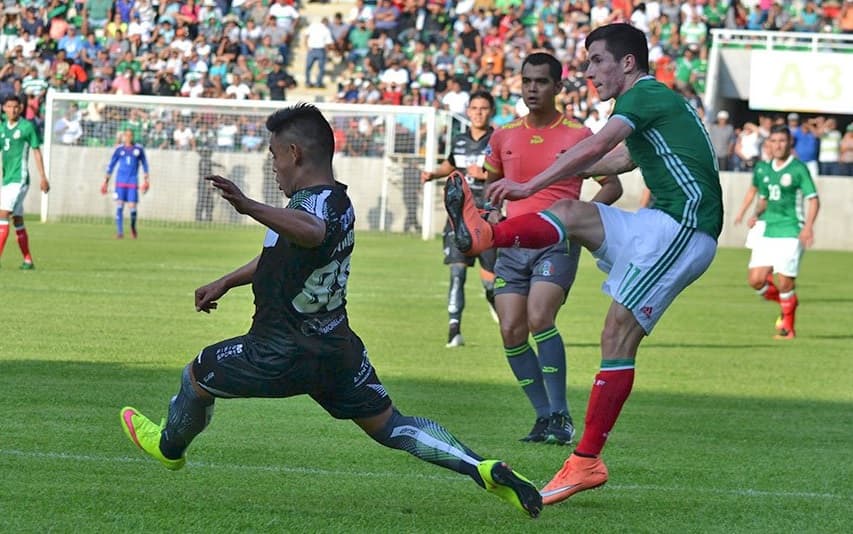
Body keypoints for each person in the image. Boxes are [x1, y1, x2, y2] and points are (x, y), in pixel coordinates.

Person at [118, 103, 543, 519]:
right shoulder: (335, 200)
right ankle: (481, 469)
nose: (272, 165)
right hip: (336, 350)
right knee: (391, 424)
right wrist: (226, 281)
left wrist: (248, 206)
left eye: (273, 155)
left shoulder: (313, 209)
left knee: (195, 377)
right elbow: (288, 249)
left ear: (294, 153)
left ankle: (170, 449)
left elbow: (312, 232)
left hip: (277, 350)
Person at [443, 24, 722, 505]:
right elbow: (618, 160)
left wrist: (530, 186)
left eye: (596, 60)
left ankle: (587, 459)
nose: (588, 71)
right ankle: (486, 236)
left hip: (685, 227)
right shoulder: (653, 107)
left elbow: (593, 149)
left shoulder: (645, 96)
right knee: (571, 214)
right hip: (658, 221)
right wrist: (545, 177)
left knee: (616, 334)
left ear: (627, 63)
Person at [480, 52, 623, 447]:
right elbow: (490, 191)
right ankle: (544, 417)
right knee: (511, 329)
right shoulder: (503, 134)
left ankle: (561, 414)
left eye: (541, 82)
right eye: (527, 81)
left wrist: (580, 220)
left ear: (558, 88)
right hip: (511, 244)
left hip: (556, 244)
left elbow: (613, 185)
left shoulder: (579, 136)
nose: (532, 88)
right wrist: (489, 214)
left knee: (540, 317)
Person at [421, 90, 500, 348]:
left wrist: (485, 174)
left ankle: (493, 301)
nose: (478, 112)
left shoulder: (499, 140)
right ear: (468, 111)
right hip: (459, 218)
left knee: (491, 282)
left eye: (484, 108)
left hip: (489, 218)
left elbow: (509, 173)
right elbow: (451, 165)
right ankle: (454, 331)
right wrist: (433, 174)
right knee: (457, 274)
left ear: (492, 111)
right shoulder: (459, 140)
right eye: (474, 108)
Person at [745, 124, 819, 340]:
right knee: (756, 281)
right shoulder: (765, 168)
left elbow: (813, 200)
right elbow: (764, 199)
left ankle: (787, 328)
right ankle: (787, 303)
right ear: (768, 144)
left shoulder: (798, 168)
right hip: (768, 229)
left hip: (791, 230)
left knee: (785, 281)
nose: (778, 145)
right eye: (774, 141)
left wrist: (808, 227)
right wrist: (755, 214)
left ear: (790, 143)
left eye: (782, 141)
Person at [0, 95, 49, 270]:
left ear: (20, 108)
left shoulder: (27, 127)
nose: (12, 110)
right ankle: (27, 260)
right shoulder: (2, 128)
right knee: (17, 219)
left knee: (3, 214)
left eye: (15, 107)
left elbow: (36, 151)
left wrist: (43, 176)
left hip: (19, 179)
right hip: (6, 180)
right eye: (8, 106)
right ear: (3, 108)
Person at [102, 129, 150, 239]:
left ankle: (133, 227)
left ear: (132, 136)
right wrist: (105, 182)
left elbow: (145, 164)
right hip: (120, 181)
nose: (128, 137)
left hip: (132, 181)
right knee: (119, 206)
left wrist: (147, 180)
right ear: (124, 136)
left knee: (132, 207)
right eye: (126, 135)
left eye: (130, 135)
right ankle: (120, 232)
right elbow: (111, 165)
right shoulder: (119, 149)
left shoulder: (138, 149)